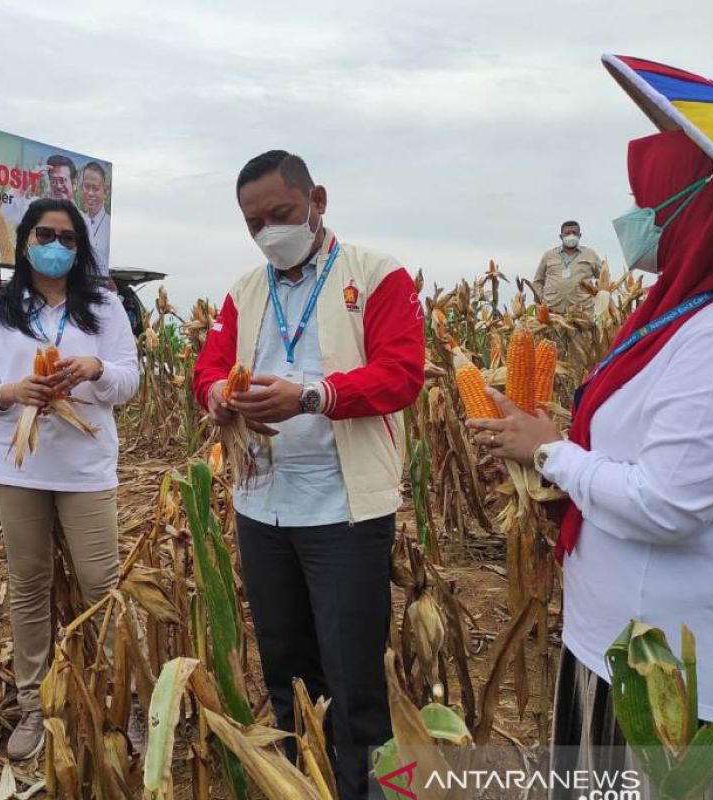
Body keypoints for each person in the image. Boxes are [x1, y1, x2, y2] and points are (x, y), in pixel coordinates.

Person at [469, 130, 713, 797]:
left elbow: (668, 503)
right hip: (635, 650)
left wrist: (550, 452)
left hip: (679, 688)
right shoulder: (703, 305)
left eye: (649, 199)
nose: (637, 220)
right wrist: (547, 458)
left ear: (698, 206)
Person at [192, 150, 425, 799]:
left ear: (317, 200)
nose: (269, 230)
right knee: (288, 679)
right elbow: (207, 369)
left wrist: (311, 396)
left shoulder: (378, 277)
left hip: (343, 514)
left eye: (281, 214)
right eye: (254, 221)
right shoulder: (244, 291)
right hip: (263, 510)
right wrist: (218, 397)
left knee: (354, 688)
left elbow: (401, 373)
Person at [0, 198, 139, 761]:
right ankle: (34, 704)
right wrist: (13, 393)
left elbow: (129, 382)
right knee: (30, 583)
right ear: (25, 242)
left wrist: (95, 369)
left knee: (100, 582)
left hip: (85, 466)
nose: (56, 245)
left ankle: (125, 700)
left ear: (80, 246)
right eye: (45, 234)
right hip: (18, 466)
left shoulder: (105, 308)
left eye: (67, 237)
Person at [531, 220, 604, 313]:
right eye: (567, 233)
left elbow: (603, 280)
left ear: (580, 235)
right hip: (552, 311)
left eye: (574, 233)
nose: (571, 236)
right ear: (561, 236)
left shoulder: (590, 254)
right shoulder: (549, 255)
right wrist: (541, 301)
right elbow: (538, 281)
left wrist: (599, 297)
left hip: (582, 311)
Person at [80, 161, 112, 276]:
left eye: (95, 188)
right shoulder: (76, 222)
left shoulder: (109, 224)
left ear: (105, 192)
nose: (90, 193)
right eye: (87, 187)